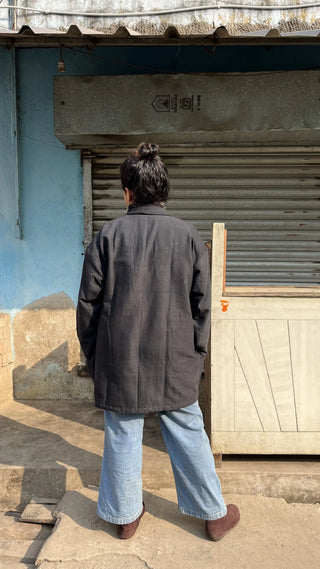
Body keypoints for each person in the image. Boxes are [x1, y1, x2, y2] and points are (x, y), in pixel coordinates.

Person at [76, 142, 240, 541]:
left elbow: (88, 306)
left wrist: (95, 357)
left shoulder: (108, 235)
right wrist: (197, 353)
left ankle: (125, 516)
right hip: (176, 360)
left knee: (122, 432)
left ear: (128, 192)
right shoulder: (186, 235)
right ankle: (213, 515)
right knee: (188, 432)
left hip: (121, 360)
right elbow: (202, 305)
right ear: (163, 191)